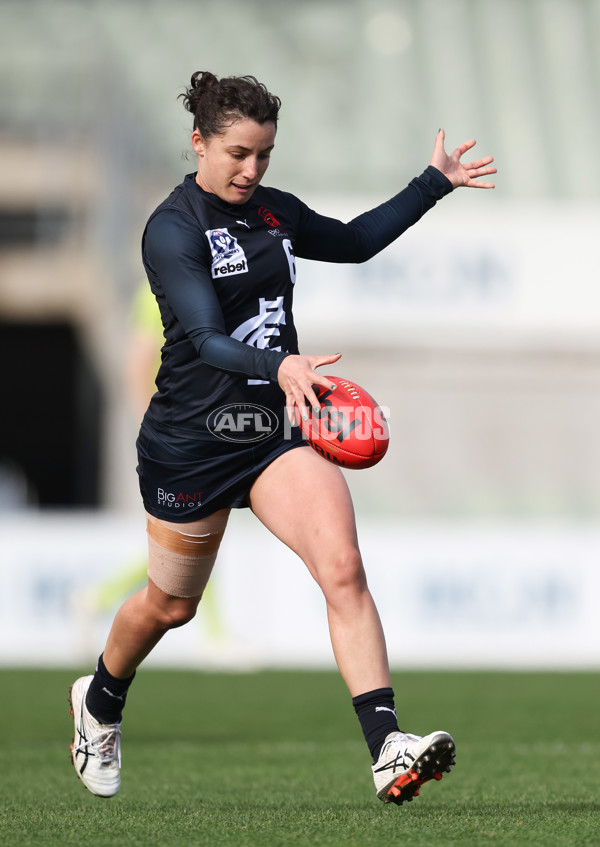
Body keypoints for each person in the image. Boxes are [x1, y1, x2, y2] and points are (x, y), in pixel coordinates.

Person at [69, 71, 496, 805]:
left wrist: (434, 183)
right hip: (192, 440)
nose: (252, 169)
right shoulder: (171, 229)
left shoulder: (273, 212)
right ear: (198, 141)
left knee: (342, 565)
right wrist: (281, 361)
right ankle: (101, 700)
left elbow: (356, 242)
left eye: (264, 154)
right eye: (238, 153)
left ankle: (388, 746)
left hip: (273, 430)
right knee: (171, 606)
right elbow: (202, 337)